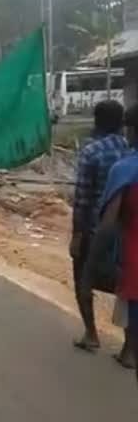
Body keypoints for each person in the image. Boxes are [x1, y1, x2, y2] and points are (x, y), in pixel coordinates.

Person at [70, 100, 130, 354]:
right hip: (128, 231)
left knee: (83, 277)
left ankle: (91, 333)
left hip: (96, 228)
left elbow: (82, 198)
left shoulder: (91, 152)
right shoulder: (130, 150)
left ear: (96, 121)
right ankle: (129, 348)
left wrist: (76, 235)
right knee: (127, 287)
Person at [90, 104, 138, 378]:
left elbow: (108, 224)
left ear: (131, 130)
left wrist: (90, 265)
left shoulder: (125, 169)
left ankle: (129, 351)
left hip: (133, 257)